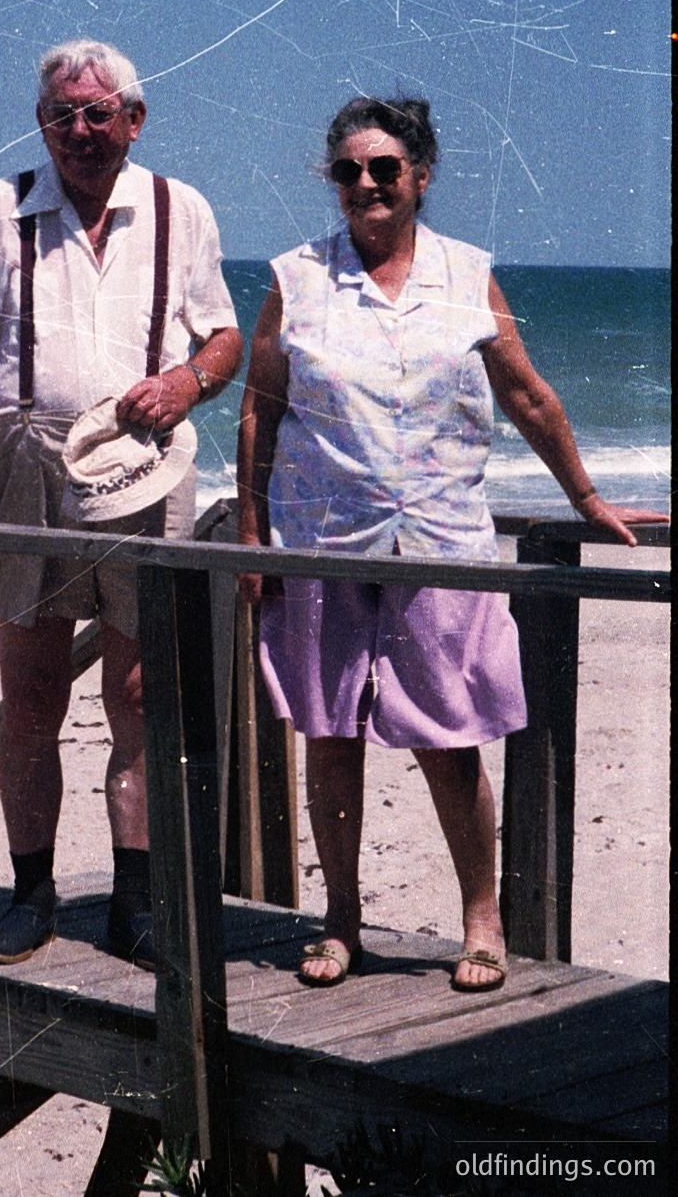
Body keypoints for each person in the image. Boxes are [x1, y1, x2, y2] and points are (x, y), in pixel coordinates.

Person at [235, 96, 664, 992]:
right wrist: (248, 531)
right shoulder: (296, 277)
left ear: (420, 178)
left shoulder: (469, 276)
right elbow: (260, 410)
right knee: (329, 730)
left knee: (449, 735)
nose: (366, 184)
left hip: (438, 534)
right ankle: (341, 919)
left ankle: (482, 919)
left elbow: (528, 396)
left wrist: (584, 495)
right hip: (323, 540)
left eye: (385, 169)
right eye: (349, 170)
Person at [0, 39, 243, 969]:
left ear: (135, 120)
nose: (82, 132)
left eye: (100, 114)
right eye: (63, 116)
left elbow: (224, 336)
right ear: (40, 123)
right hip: (28, 464)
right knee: (32, 692)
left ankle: (134, 902)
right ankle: (30, 894)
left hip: (149, 468)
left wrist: (186, 383)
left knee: (136, 692)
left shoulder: (182, 209)